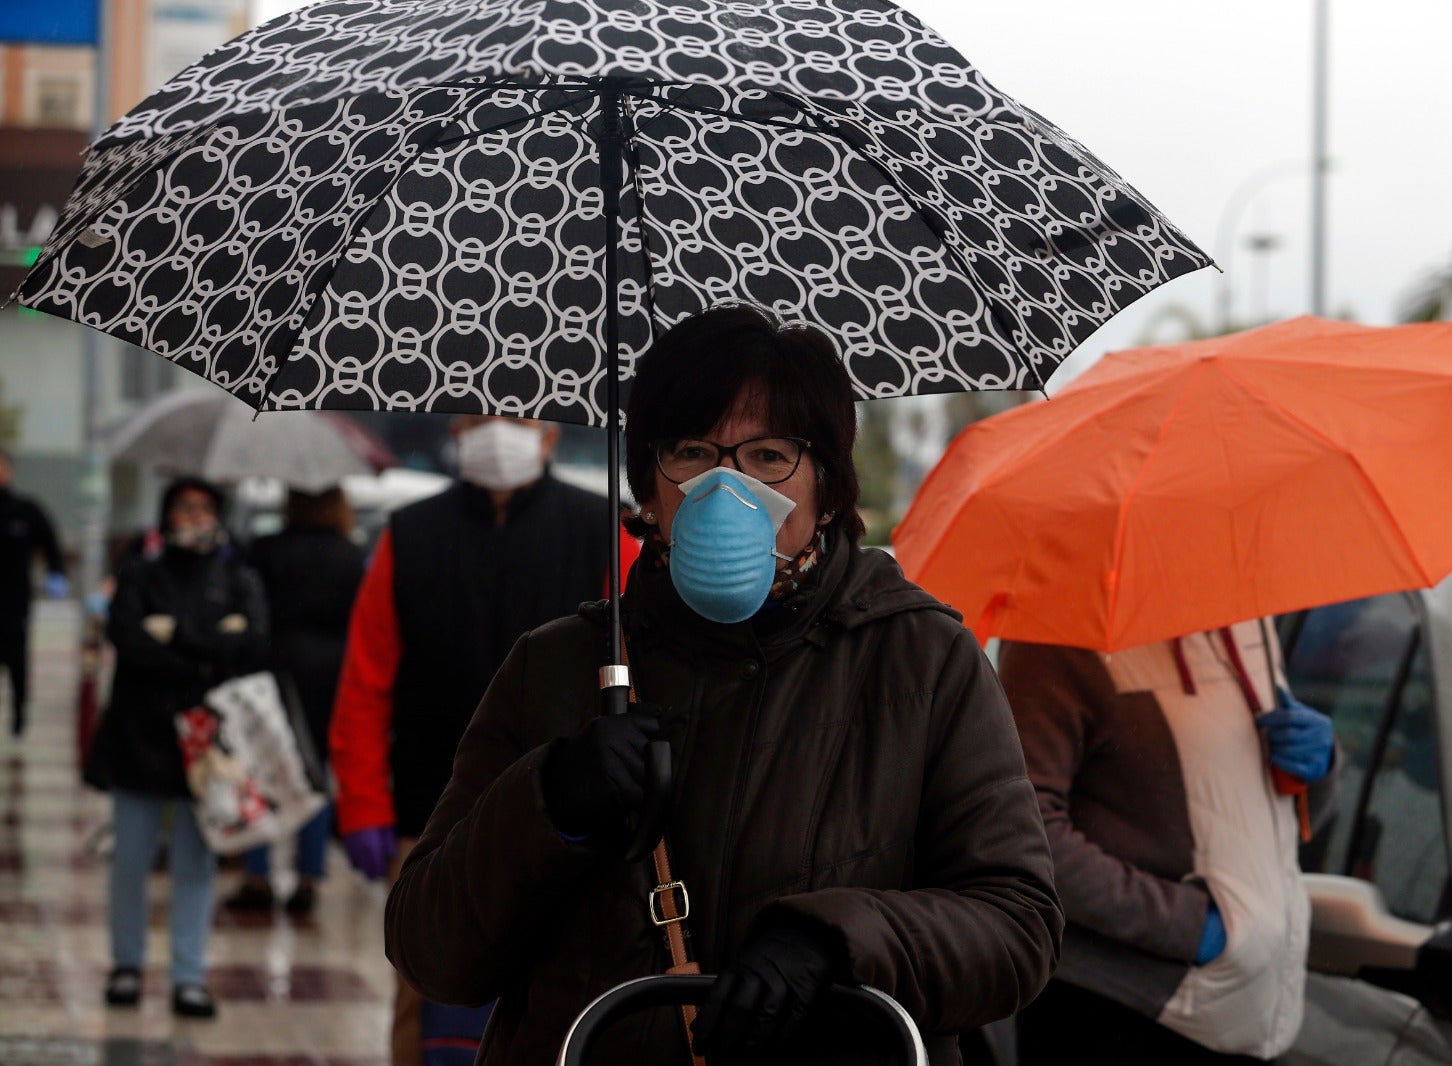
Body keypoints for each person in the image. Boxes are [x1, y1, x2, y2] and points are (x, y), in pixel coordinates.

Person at [384, 303, 1064, 1066]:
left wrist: (837, 942)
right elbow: (429, 951)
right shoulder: (557, 667)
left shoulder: (921, 661)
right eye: (691, 452)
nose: (725, 485)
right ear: (647, 490)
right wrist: (549, 804)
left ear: (829, 489)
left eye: (768, 456)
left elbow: (1018, 929)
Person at [329, 415, 635, 1066]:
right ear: (455, 430)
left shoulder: (605, 531)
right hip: (431, 814)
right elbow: (365, 682)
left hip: (572, 819)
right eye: (478, 418)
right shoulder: (410, 535)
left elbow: (645, 666)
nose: (496, 432)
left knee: (562, 995)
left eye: (515, 418)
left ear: (551, 434)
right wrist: (362, 803)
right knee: (423, 997)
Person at [1000, 622, 1337, 1065]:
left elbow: (1266, 824)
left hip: (1251, 1006)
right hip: (1120, 1006)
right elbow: (1021, 833)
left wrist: (1315, 772)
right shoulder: (1058, 630)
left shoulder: (1245, 618)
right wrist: (1192, 928)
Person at [87, 477, 267, 1019]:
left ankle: (189, 975)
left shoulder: (236, 578)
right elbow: (128, 637)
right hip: (140, 736)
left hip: (207, 744)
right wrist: (206, 649)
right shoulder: (140, 574)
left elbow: (252, 641)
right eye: (184, 506)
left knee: (197, 860)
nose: (194, 517)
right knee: (131, 858)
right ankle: (126, 965)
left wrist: (175, 637)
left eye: (205, 507)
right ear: (166, 513)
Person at [224, 486, 366, 915]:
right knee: (315, 772)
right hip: (332, 672)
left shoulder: (264, 550)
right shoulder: (350, 555)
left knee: (263, 767)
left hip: (274, 668)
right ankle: (308, 875)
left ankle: (258, 875)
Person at [0, 449, 69, 736]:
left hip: (15, 601)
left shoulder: (26, 510)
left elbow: (51, 544)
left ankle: (19, 717)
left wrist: (56, 574)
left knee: (16, 662)